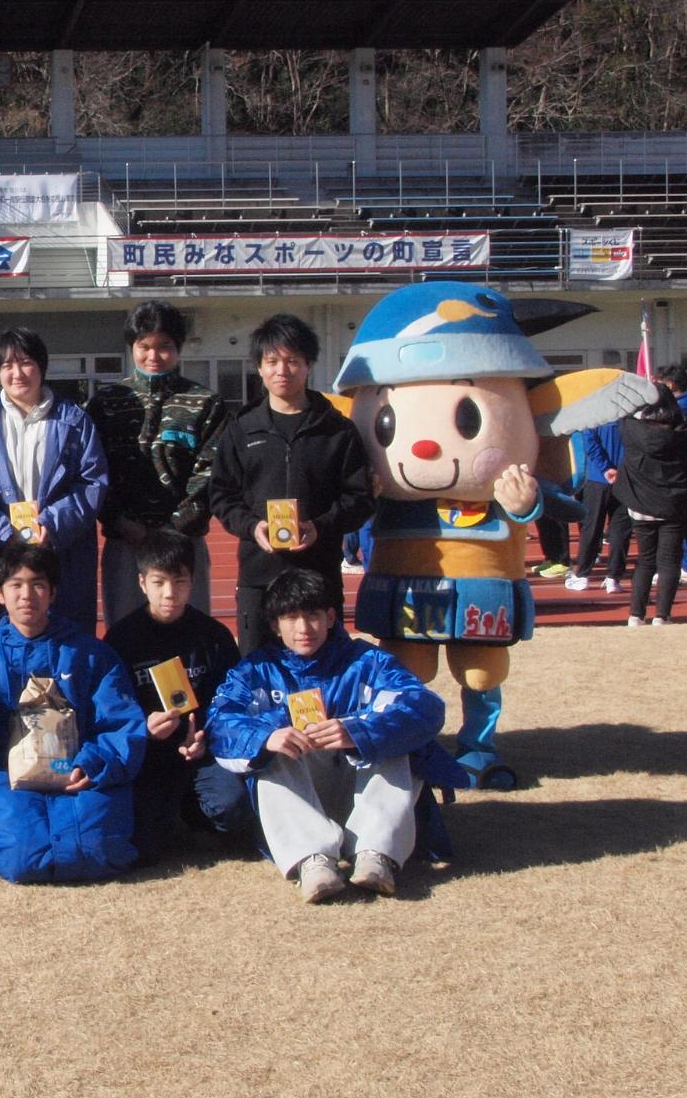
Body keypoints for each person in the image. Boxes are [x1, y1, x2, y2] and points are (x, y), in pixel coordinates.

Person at [204, 569, 447, 903]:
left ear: (331, 617)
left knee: (394, 742)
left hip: (359, 789)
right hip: (301, 795)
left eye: (313, 616)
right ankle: (312, 860)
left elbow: (425, 708)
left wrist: (358, 731)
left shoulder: (369, 662)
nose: (304, 629)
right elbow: (220, 722)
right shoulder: (253, 671)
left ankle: (375, 854)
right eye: (290, 618)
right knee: (271, 748)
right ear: (275, 625)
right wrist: (267, 737)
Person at [0, 543, 149, 885]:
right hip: (2, 776)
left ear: (53, 592)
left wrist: (92, 763)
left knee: (95, 843)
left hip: (74, 770)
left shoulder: (91, 655)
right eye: (16, 585)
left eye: (38, 584)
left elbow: (122, 724)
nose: (27, 594)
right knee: (23, 849)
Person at [206, 313, 372, 654]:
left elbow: (361, 498)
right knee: (258, 672)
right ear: (259, 367)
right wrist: (252, 527)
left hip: (319, 573)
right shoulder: (241, 428)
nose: (282, 370)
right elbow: (222, 495)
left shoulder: (337, 431)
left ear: (308, 365)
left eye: (292, 361)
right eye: (272, 361)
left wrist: (320, 527)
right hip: (259, 576)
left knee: (322, 670)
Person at [101, 530, 252, 866]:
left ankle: (190, 810)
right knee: (138, 835)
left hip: (202, 754)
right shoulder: (121, 639)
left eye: (179, 581)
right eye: (159, 582)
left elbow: (233, 703)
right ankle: (167, 812)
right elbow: (109, 709)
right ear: (142, 583)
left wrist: (206, 737)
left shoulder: (214, 637)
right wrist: (143, 728)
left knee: (234, 810)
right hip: (146, 754)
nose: (170, 593)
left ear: (192, 581)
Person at [86, 302, 230, 624]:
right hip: (125, 544)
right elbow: (93, 471)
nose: (153, 356)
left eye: (164, 346)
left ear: (178, 348)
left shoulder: (205, 403)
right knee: (126, 635)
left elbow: (210, 473)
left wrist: (172, 529)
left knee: (188, 634)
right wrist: (122, 522)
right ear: (132, 347)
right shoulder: (106, 403)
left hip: (183, 543)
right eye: (144, 346)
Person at [0, 326, 107, 632]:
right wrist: (3, 531)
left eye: (26, 363)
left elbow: (93, 482)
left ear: (41, 367)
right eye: (7, 365)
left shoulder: (74, 421)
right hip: (0, 552)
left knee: (67, 641)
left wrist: (51, 524)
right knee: (2, 642)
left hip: (63, 553)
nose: (17, 373)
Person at [614, 389, 687, 626]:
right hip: (674, 503)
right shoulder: (682, 432)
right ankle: (662, 615)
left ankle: (635, 614)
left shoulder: (630, 429)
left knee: (645, 559)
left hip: (640, 503)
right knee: (670, 560)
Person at [563, 419, 631, 593]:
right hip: (625, 478)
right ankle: (614, 577)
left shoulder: (597, 414)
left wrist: (605, 467)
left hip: (598, 478)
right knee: (620, 529)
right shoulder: (630, 413)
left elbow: (589, 442)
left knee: (592, 526)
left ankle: (583, 574)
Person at [656, 365, 687, 583]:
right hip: (679, 467)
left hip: (678, 468)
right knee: (678, 519)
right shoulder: (683, 405)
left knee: (678, 519)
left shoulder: (682, 406)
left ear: (671, 384)